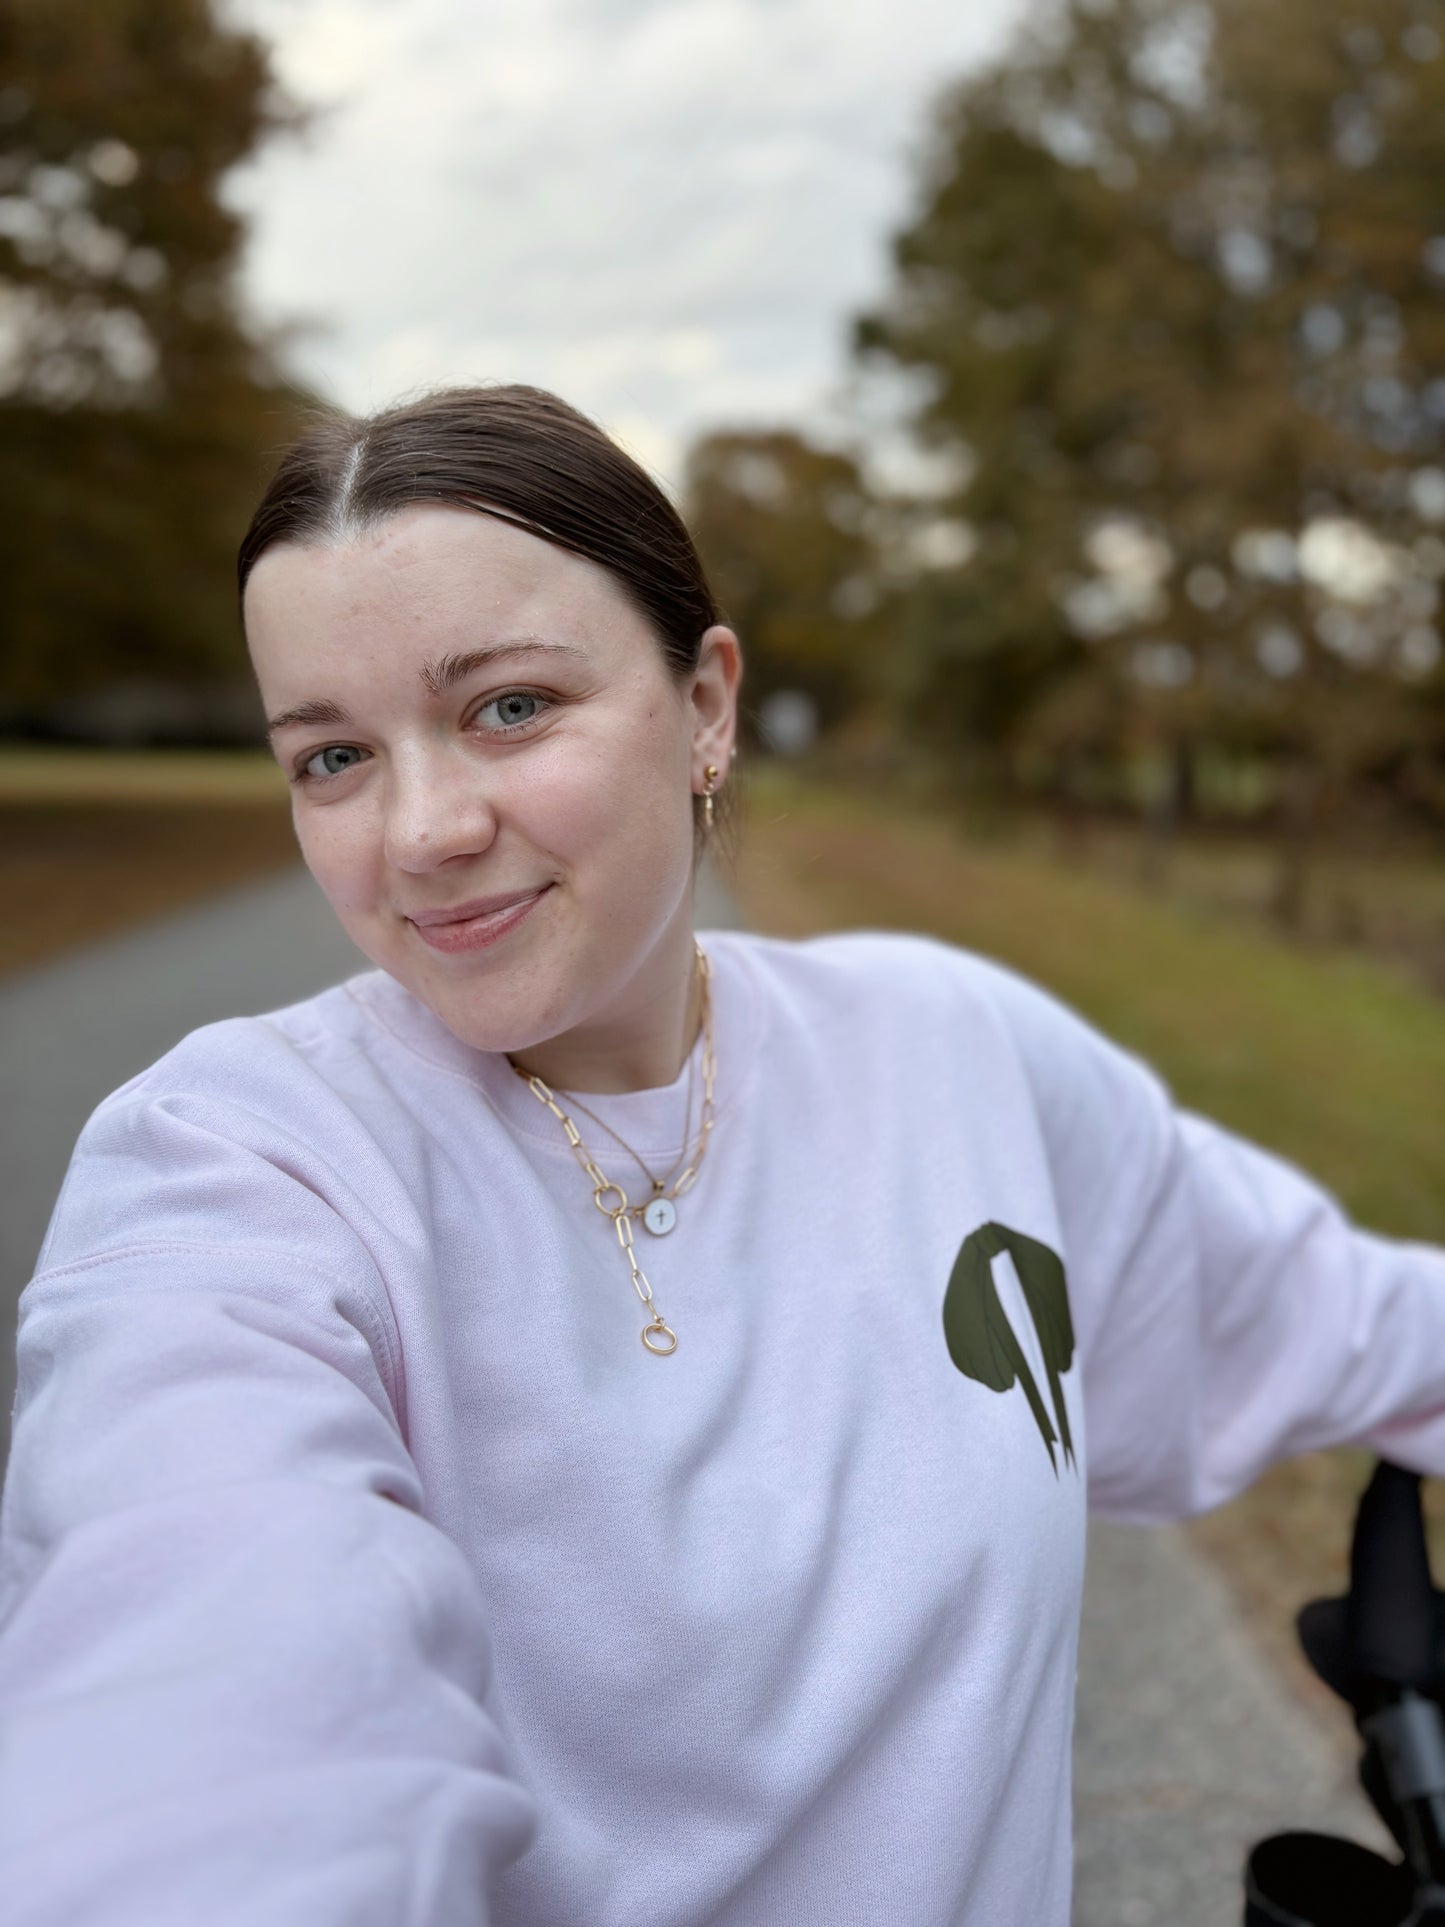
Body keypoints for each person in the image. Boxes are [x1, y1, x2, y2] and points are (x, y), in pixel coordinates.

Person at [2, 383, 1444, 1927]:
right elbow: (209, 1684)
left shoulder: (956, 1053)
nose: (420, 832)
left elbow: (1351, 1322)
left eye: (508, 708)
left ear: (704, 707)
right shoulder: (234, 1169)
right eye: (333, 756)